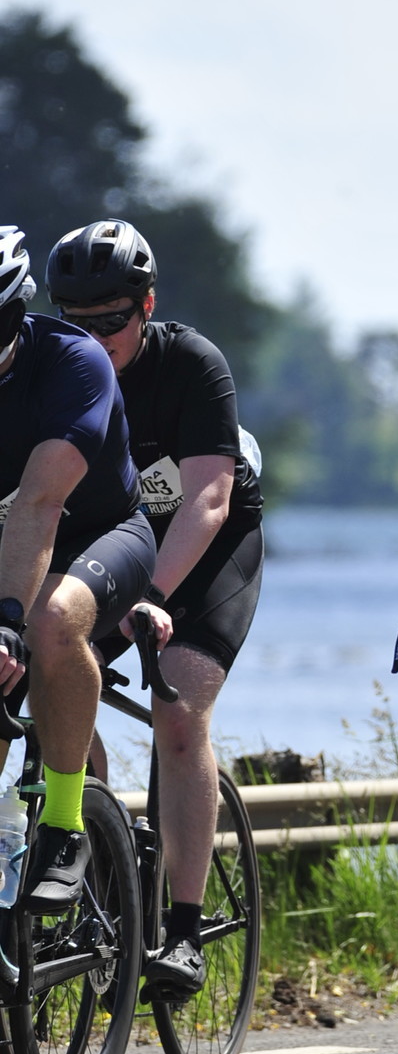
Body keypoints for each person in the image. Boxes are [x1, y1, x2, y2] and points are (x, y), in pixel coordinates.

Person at [46, 219, 264, 1000]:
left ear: (147, 305)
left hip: (205, 550)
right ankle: (102, 863)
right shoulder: (54, 371)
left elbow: (208, 498)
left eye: (111, 320)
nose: (95, 338)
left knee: (177, 708)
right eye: (77, 322)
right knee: (58, 685)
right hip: (113, 546)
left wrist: (154, 597)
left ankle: (183, 930)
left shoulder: (191, 363)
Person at [0, 225, 160, 924]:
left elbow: (40, 505)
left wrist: (6, 622)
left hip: (101, 534)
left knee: (49, 620)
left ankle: (66, 825)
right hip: (13, 541)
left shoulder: (76, 362)